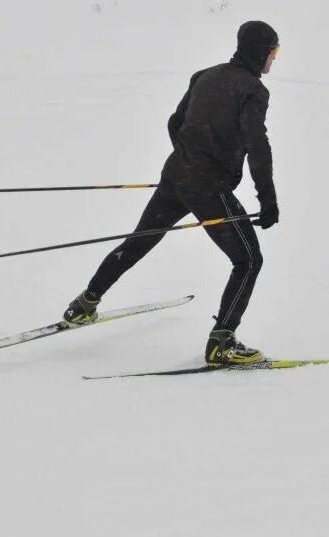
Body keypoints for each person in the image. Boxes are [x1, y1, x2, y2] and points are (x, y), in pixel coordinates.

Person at [62, 21, 281, 365]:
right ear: (261, 52)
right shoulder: (253, 90)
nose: (274, 59)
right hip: (208, 188)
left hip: (176, 177)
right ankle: (222, 342)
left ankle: (85, 303)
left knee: (140, 240)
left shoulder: (204, 75)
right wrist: (268, 201)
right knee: (249, 260)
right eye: (274, 52)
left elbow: (174, 122)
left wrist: (188, 160)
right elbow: (258, 146)